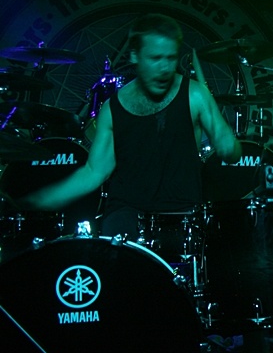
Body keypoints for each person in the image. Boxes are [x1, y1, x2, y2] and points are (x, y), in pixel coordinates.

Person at [19, 13, 242, 238]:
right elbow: (94, 172)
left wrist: (229, 147)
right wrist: (40, 199)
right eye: (155, 58)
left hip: (181, 215)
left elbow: (233, 153)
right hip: (126, 215)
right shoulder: (112, 108)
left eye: (171, 58)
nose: (165, 67)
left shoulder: (195, 94)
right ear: (135, 56)